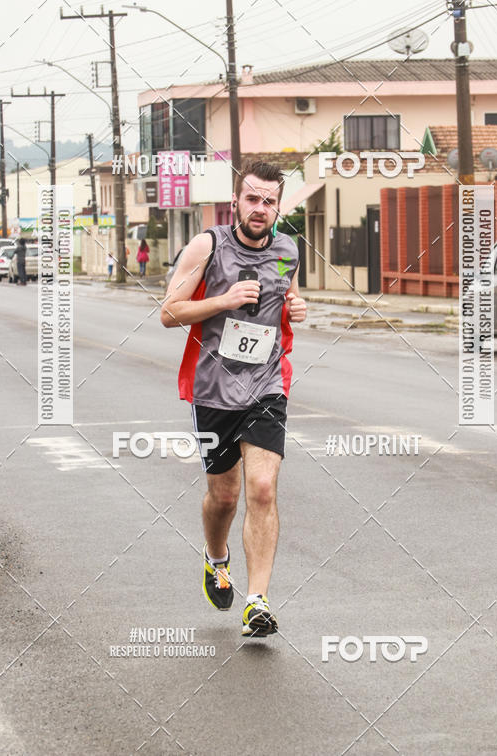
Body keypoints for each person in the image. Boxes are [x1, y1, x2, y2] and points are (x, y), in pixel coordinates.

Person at [161, 161, 307, 638]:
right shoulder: (209, 245)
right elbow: (169, 312)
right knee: (223, 497)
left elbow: (286, 297)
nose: (260, 209)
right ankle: (216, 557)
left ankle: (257, 601)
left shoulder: (288, 249)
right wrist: (223, 299)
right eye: (252, 199)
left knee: (263, 488)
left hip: (266, 386)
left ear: (278, 207)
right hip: (214, 391)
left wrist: (296, 305)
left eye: (269, 201)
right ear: (236, 202)